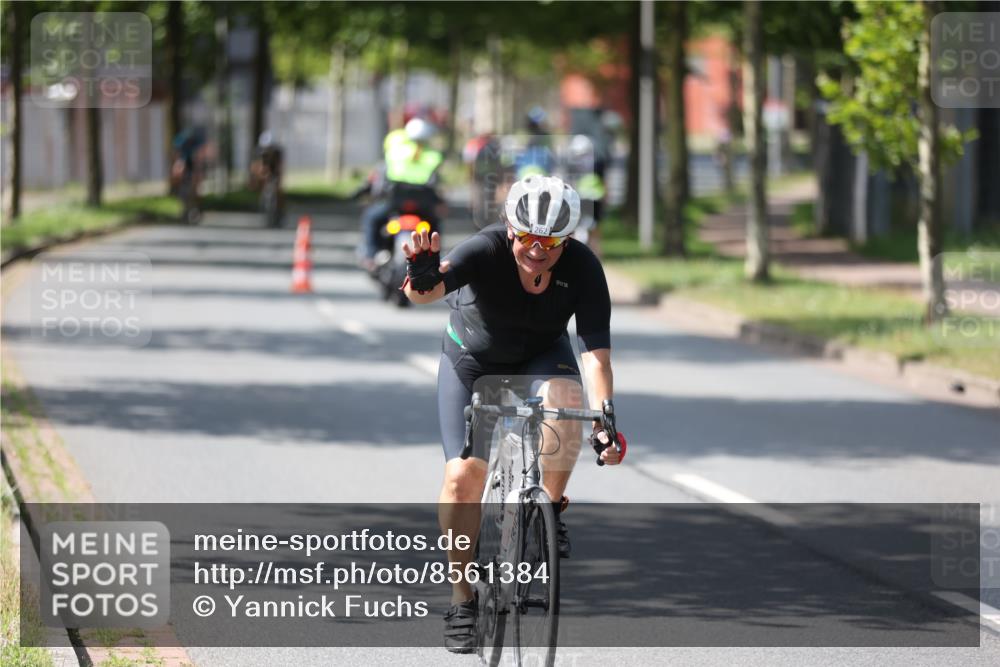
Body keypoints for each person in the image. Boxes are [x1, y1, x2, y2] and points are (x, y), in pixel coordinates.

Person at [400, 175, 627, 653]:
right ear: (509, 230)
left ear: (568, 240)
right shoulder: (484, 250)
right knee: (463, 478)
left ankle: (548, 506)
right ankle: (462, 598)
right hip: (472, 361)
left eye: (551, 241)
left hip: (542, 354)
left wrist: (605, 420)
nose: (537, 250)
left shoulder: (584, 267)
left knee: (567, 402)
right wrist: (420, 278)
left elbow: (595, 357)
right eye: (527, 237)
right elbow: (426, 290)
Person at [358, 118, 444, 269]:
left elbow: (383, 180)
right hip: (423, 206)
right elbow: (435, 181)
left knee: (371, 218)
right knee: (435, 225)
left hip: (394, 203)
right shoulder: (433, 156)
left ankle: (371, 255)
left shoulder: (395, 151)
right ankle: (435, 258)